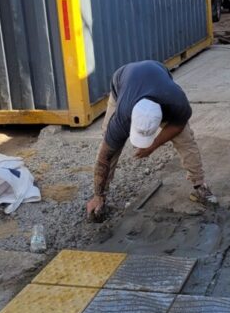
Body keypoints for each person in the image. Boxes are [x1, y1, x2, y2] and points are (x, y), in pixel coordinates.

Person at [85, 60, 218, 222]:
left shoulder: (176, 102)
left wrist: (154, 145)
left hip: (157, 75)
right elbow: (105, 155)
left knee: (186, 139)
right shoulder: (122, 117)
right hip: (122, 82)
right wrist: (97, 194)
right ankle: (100, 198)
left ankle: (199, 185)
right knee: (110, 140)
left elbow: (176, 127)